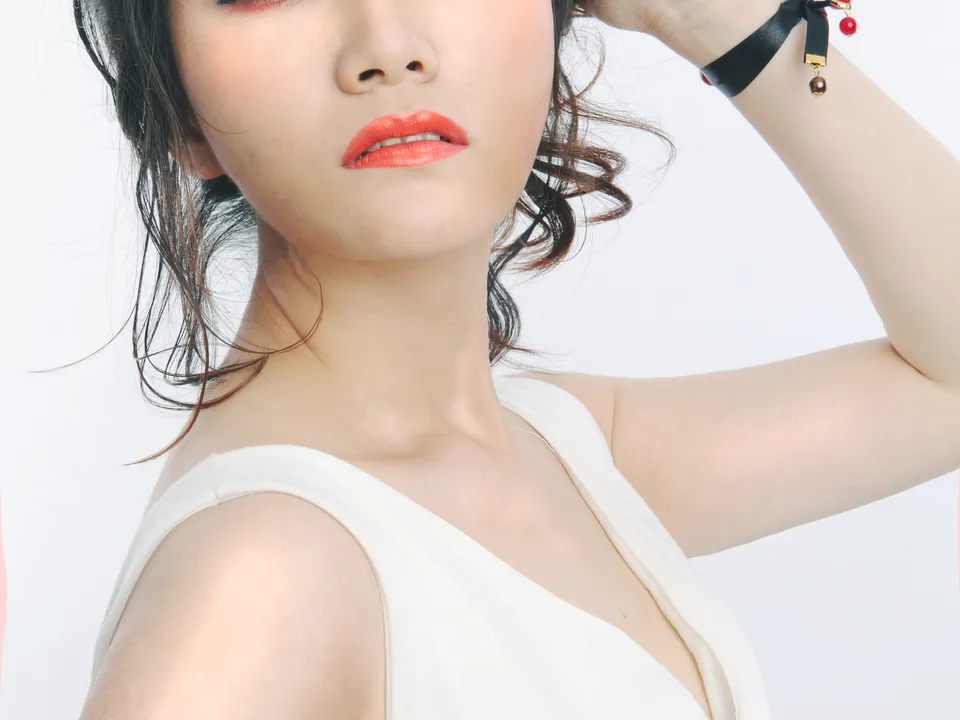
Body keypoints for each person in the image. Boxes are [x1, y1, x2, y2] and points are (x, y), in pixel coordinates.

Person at [74, 1, 960, 719]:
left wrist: (722, 23)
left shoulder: (567, 456)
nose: (387, 47)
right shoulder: (259, 575)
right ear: (176, 108)